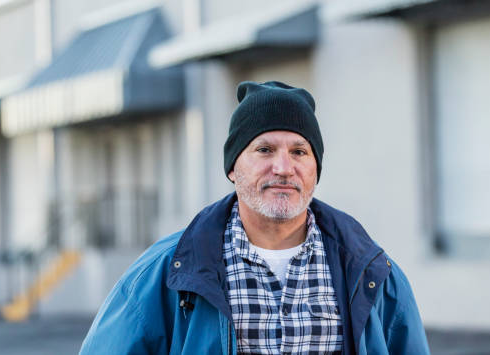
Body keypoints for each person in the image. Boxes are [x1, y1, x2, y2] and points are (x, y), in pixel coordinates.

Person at [79, 81, 430, 354]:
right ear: (233, 167)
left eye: (299, 152)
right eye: (264, 150)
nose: (283, 167)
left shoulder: (371, 272)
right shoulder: (165, 273)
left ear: (315, 169)